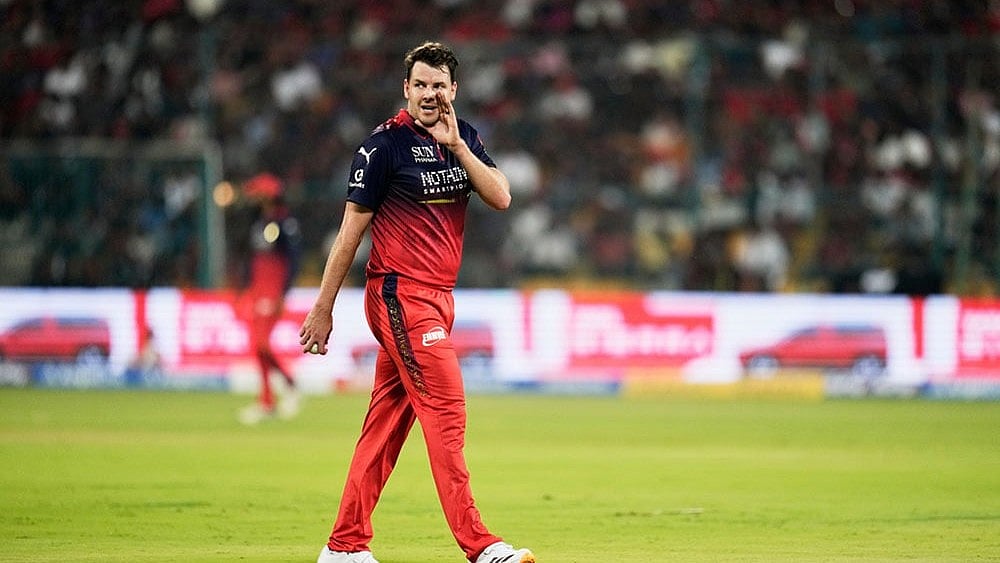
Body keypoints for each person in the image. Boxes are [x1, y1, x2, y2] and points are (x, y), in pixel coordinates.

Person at [298, 42, 535, 563]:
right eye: (421, 84)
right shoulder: (382, 148)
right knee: (446, 410)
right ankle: (481, 546)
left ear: (454, 91)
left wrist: (459, 148)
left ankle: (343, 547)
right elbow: (348, 237)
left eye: (440, 86)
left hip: (437, 299)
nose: (430, 94)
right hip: (400, 296)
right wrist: (323, 307)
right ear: (406, 88)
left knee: (386, 423)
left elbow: (501, 196)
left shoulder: (463, 136)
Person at [238, 172, 302, 425]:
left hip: (272, 289)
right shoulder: (260, 222)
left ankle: (289, 384)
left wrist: (283, 293)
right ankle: (266, 400)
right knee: (256, 346)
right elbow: (252, 258)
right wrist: (247, 288)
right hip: (258, 288)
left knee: (263, 344)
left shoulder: (285, 223)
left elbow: (293, 260)